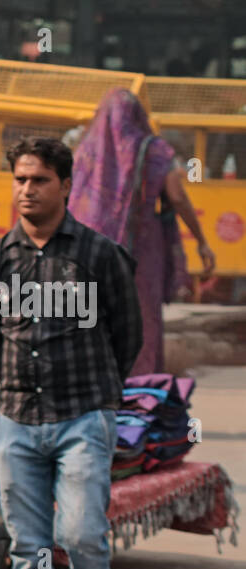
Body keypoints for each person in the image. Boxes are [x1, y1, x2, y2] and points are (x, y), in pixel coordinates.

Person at [0, 137, 143, 569]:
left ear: (65, 186)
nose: (26, 190)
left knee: (82, 535)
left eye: (39, 180)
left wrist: (101, 398)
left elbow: (129, 336)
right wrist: (17, 390)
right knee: (29, 547)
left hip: (83, 416)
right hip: (17, 419)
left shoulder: (99, 255)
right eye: (19, 179)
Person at [68, 88, 215, 375]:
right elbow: (177, 196)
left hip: (90, 249)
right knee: (142, 317)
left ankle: (96, 386)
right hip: (142, 249)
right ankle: (142, 392)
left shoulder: (86, 151)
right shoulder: (154, 149)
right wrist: (201, 241)